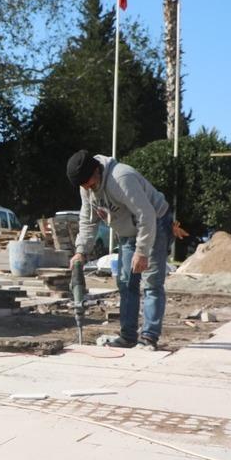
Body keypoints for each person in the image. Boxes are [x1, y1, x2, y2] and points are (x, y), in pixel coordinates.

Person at [67, 149, 174, 350]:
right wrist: (81, 250)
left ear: (96, 171)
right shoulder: (86, 188)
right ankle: (128, 337)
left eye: (88, 183)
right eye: (83, 186)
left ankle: (149, 337)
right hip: (127, 231)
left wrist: (142, 251)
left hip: (155, 223)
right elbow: (88, 221)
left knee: (151, 282)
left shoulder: (121, 178)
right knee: (126, 283)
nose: (87, 188)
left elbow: (146, 215)